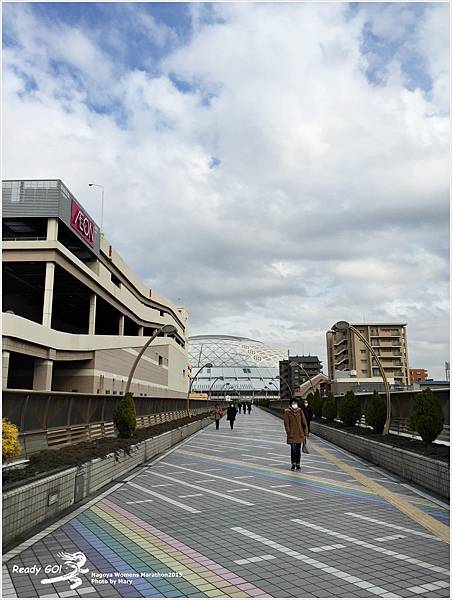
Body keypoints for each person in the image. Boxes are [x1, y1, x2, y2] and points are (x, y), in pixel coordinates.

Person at [284, 398, 309, 471]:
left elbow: (304, 423)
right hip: (291, 434)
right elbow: (286, 424)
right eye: (293, 403)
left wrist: (305, 433)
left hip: (300, 434)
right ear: (291, 404)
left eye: (296, 403)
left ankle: (298, 464)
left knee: (298, 450)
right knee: (293, 449)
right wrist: (288, 432)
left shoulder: (300, 411)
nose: (294, 404)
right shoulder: (287, 412)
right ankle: (293, 463)